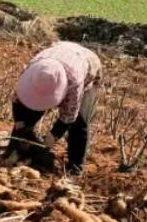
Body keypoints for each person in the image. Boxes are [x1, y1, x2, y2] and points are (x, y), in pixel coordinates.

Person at [10, 42, 102, 176]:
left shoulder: (74, 82)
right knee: (28, 112)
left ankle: (75, 168)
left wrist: (52, 137)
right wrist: (20, 125)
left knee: (80, 123)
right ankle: (15, 149)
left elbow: (69, 117)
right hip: (58, 53)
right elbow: (17, 100)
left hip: (87, 66)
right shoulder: (33, 70)